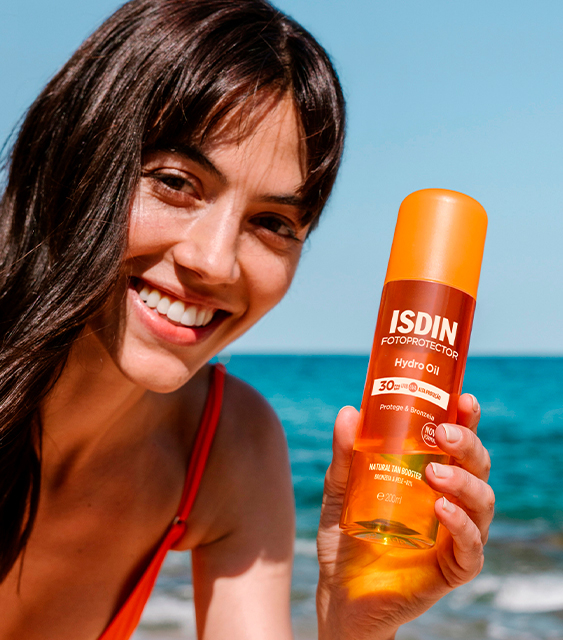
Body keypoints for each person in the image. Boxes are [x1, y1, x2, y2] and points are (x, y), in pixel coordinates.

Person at [0, 1, 494, 638]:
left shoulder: (228, 444)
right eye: (176, 182)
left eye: (272, 223)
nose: (213, 261)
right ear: (75, 155)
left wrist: (356, 620)